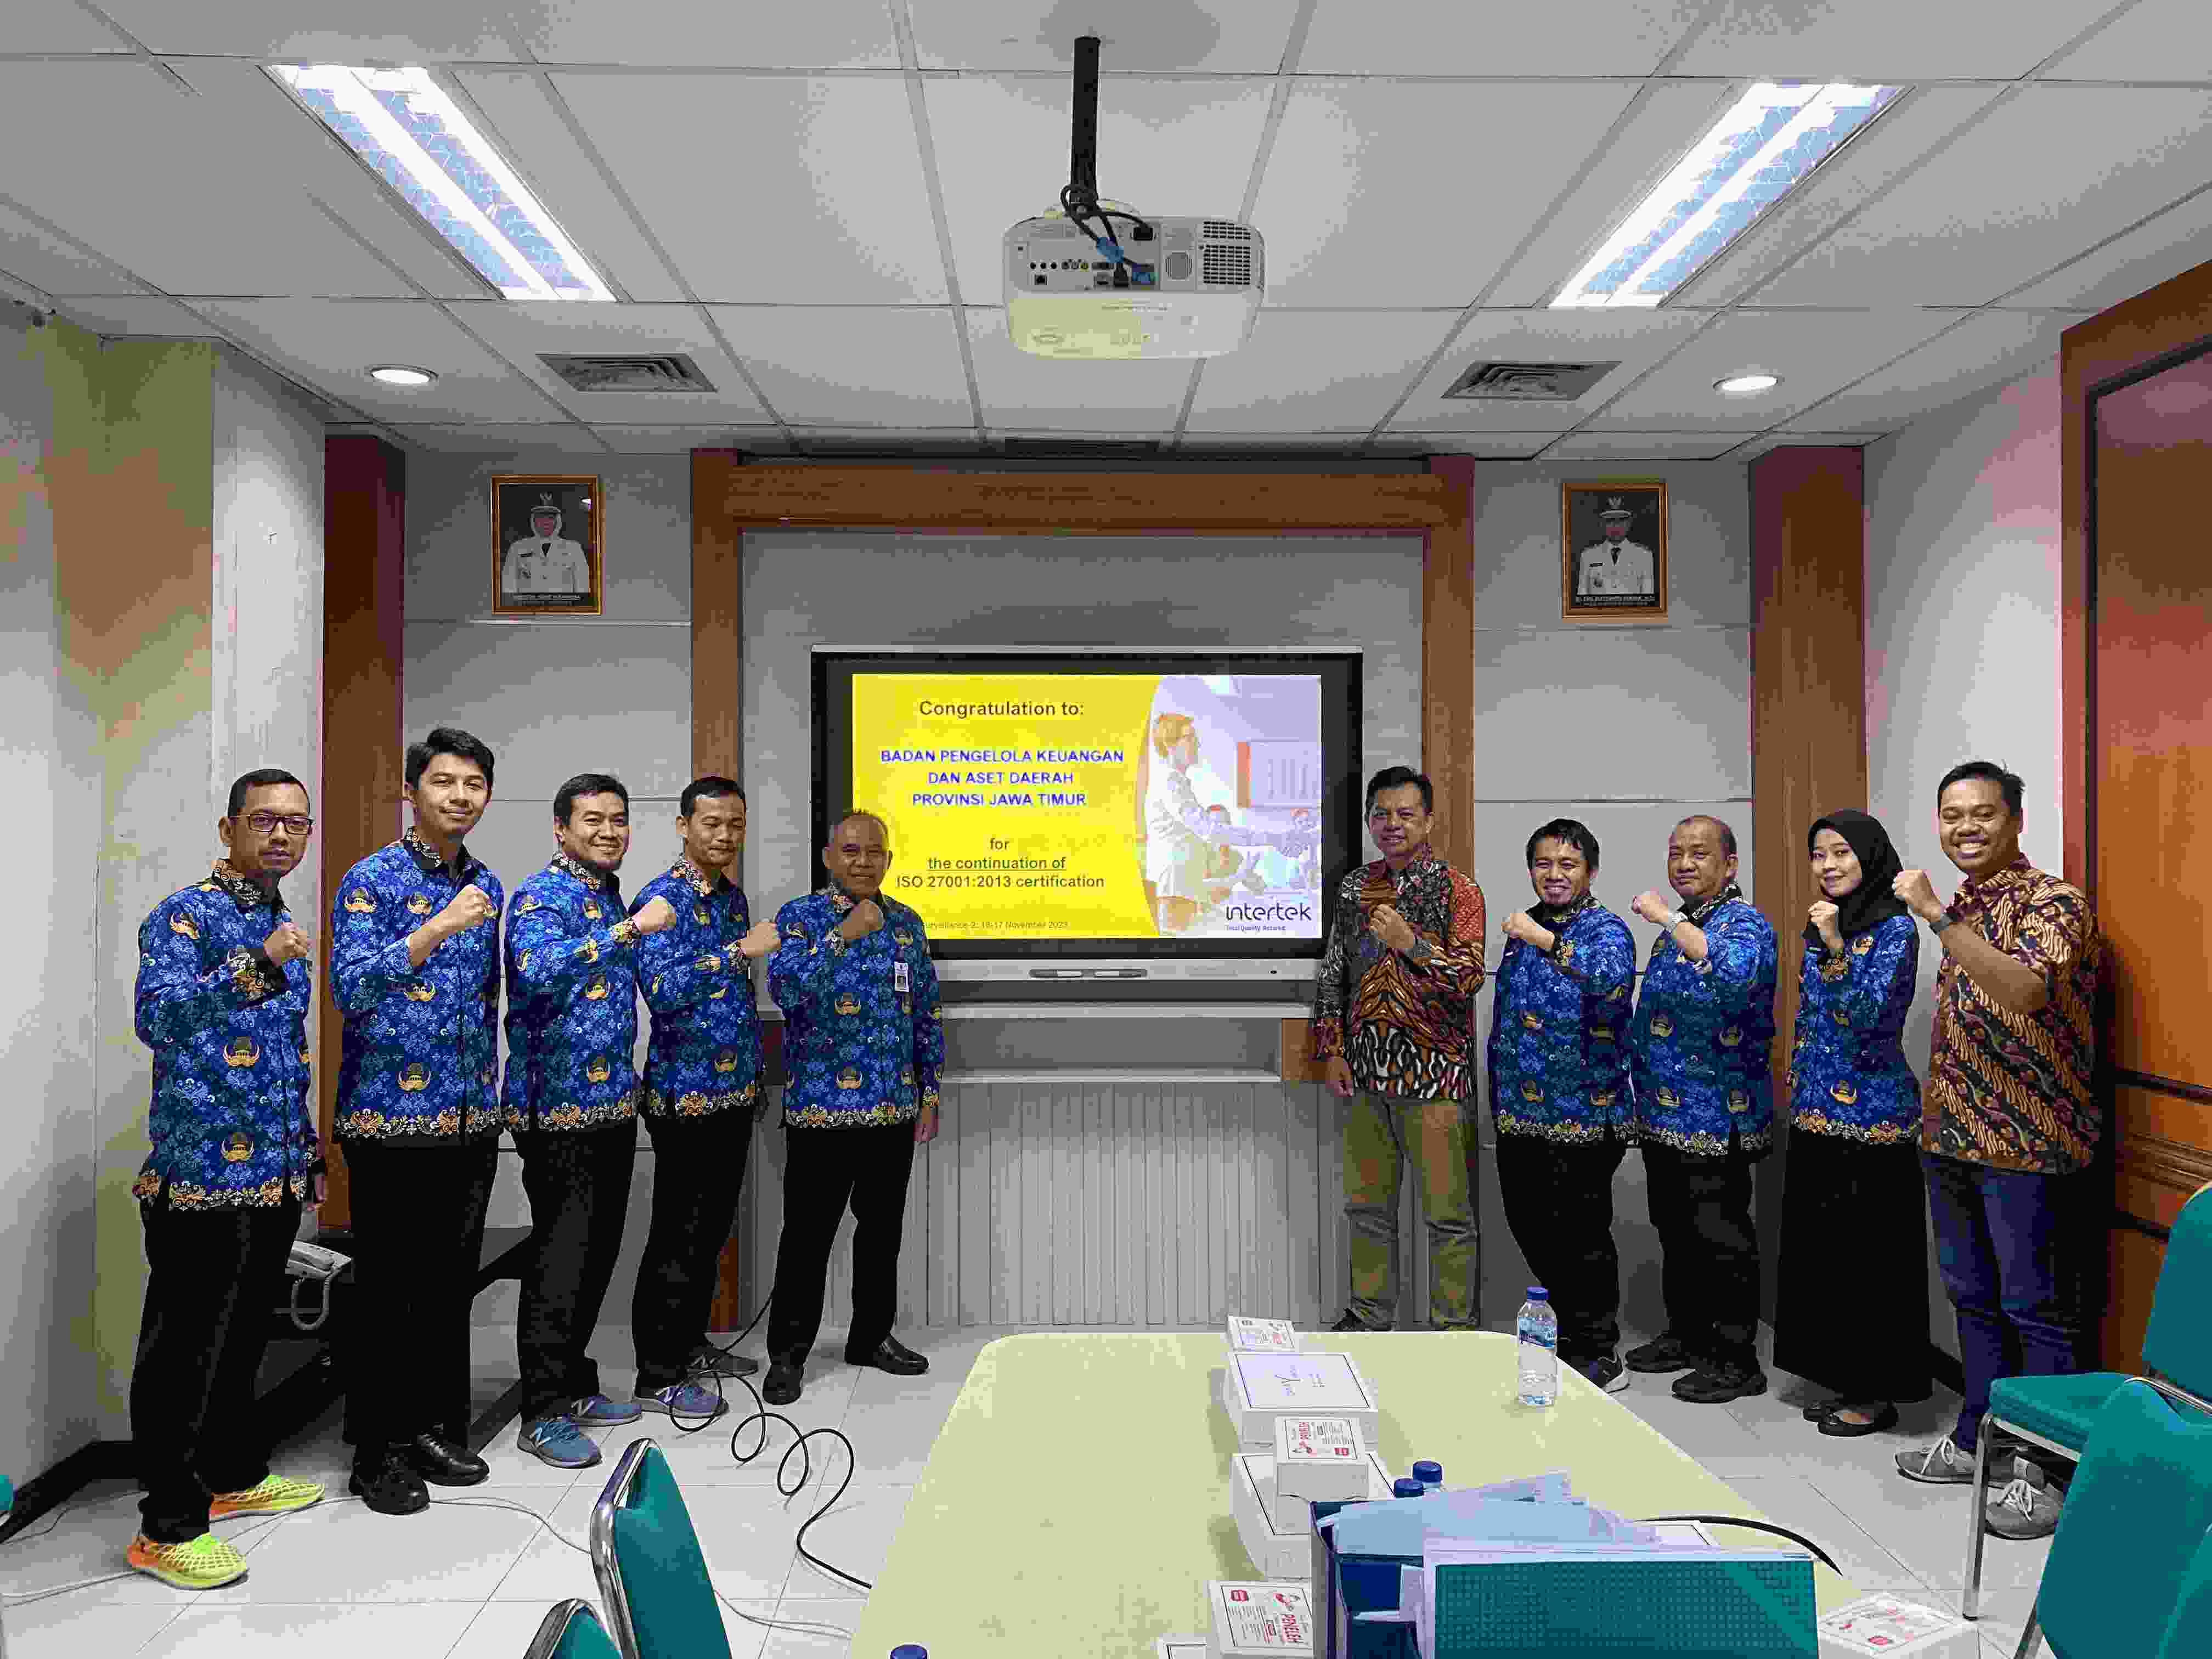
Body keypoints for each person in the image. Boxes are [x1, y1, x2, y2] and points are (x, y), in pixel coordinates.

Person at [125, 770, 329, 1590]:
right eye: (264, 820)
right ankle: (166, 1526)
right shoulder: (185, 915)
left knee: (244, 1336)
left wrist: (304, 1154)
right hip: (202, 1173)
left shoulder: (279, 918)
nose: (281, 836)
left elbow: (285, 1055)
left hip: (271, 1171)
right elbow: (159, 1018)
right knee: (184, 1349)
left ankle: (233, 1474)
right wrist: (256, 965)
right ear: (229, 828)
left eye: (296, 823)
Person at [1891, 762, 2103, 1545]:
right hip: (1952, 1137)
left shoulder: (2054, 902)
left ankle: (2046, 1472)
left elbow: (2027, 992)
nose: (1965, 828)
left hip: (2030, 1144)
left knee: (2035, 1309)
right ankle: (1980, 1438)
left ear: (2016, 820)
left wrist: (1936, 920)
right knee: (1971, 1299)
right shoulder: (1969, 903)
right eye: (1952, 816)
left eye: (1982, 813)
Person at [328, 728, 506, 1515]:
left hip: (467, 1121)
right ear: (411, 792)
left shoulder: (486, 882)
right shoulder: (372, 880)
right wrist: (435, 928)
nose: (460, 796)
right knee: (388, 1295)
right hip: (390, 1121)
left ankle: (429, 1429)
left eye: (474, 784)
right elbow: (351, 988)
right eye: (444, 782)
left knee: (444, 1291)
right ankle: (376, 1454)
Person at [504, 773, 680, 1469]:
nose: (609, 831)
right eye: (593, 820)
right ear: (561, 828)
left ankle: (574, 1385)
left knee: (597, 1251)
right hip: (555, 1109)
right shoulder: (541, 894)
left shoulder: (603, 893)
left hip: (610, 1105)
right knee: (561, 1255)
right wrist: (631, 929)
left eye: (618, 819)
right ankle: (542, 1410)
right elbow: (538, 969)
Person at [761, 811, 945, 1406]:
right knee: (807, 1239)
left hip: (892, 1110)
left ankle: (871, 1338)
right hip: (822, 1114)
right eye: (851, 851)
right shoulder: (801, 917)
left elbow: (925, 1013)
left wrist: (929, 1092)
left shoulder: (907, 924)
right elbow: (786, 991)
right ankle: (788, 1355)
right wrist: (844, 934)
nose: (864, 861)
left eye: (874, 852)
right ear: (828, 857)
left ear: (888, 859)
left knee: (882, 1235)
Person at [1770, 810, 1930, 1437]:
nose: (1829, 865)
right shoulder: (1826, 926)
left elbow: (1869, 1017)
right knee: (1826, 1260)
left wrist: (1836, 946)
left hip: (1873, 1123)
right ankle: (1842, 1379)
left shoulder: (1895, 929)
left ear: (1870, 856)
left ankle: (1876, 1392)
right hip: (1817, 1114)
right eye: (1819, 854)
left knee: (1871, 1265)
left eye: (1841, 852)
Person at [624, 777, 782, 1411]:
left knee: (710, 1234)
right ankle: (657, 1374)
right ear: (683, 826)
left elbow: (735, 1000)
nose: (724, 835)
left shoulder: (731, 898)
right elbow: (663, 991)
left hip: (732, 1093)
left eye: (735, 824)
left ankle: (689, 1347)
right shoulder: (659, 898)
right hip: (684, 1097)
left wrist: (752, 1078)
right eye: (712, 823)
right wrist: (739, 952)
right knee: (678, 1236)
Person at [1312, 766, 1488, 1333]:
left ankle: (1454, 1331)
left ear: (1429, 820)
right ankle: (1368, 1319)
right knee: (1367, 1209)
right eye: (1381, 814)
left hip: (1436, 1077)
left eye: (1406, 814)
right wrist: (1333, 1049)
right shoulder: (1355, 888)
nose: (1392, 824)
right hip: (1365, 1074)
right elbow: (1334, 972)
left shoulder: (1459, 890)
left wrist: (1410, 943)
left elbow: (1469, 978)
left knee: (1448, 1216)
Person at [1626, 815, 1779, 1403]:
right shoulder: (1684, 924)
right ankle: (1689, 1336)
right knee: (1677, 1233)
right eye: (1676, 853)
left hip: (1718, 1115)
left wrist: (1668, 917)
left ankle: (1737, 1360)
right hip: (1665, 1114)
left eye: (1699, 853)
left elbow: (1734, 975)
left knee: (1722, 1239)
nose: (1685, 863)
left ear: (1730, 864)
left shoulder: (1743, 923)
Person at [1489, 819, 1638, 1390]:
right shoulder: (1526, 925)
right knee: (1530, 1224)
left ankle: (1599, 1349)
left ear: (1590, 872)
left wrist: (1545, 939)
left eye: (1568, 864)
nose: (1554, 874)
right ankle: (1567, 1332)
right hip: (1522, 1113)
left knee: (1581, 1235)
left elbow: (1609, 980)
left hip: (1585, 1114)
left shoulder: (1606, 929)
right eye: (1544, 863)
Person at [501, 493, 589, 595]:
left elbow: (583, 587)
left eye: (550, 518)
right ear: (533, 520)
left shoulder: (574, 549)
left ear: (557, 521)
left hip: (563, 605)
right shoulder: (517, 548)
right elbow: (508, 587)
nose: (546, 522)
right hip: (527, 605)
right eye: (541, 518)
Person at [1576, 498, 1656, 600]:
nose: (1616, 526)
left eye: (1621, 521)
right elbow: (1582, 600)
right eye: (1610, 521)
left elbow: (1647, 600)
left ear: (1629, 524)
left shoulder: (1644, 556)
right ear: (1602, 524)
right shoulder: (1588, 556)